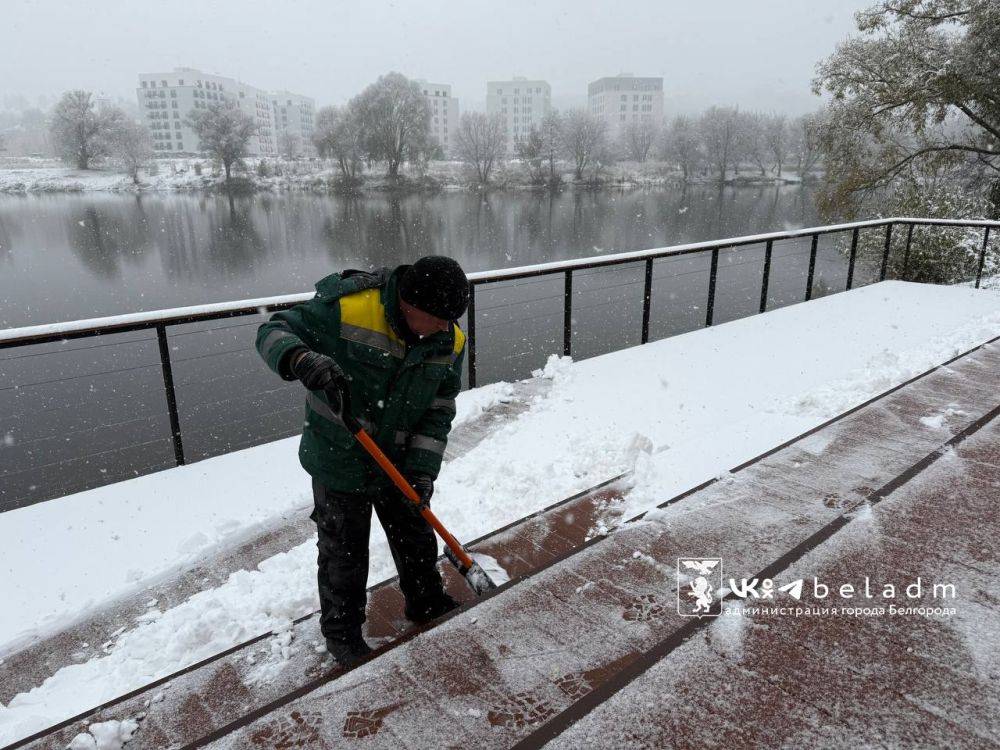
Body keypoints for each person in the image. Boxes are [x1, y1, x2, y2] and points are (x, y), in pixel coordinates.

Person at [255, 256, 470, 667]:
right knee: (343, 554)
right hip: (340, 457)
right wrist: (300, 359)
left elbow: (438, 410)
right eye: (437, 318)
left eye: (450, 319)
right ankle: (343, 636)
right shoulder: (350, 307)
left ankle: (425, 603)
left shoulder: (449, 339)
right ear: (407, 305)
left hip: (399, 462)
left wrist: (423, 472)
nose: (445, 328)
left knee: (415, 534)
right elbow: (272, 330)